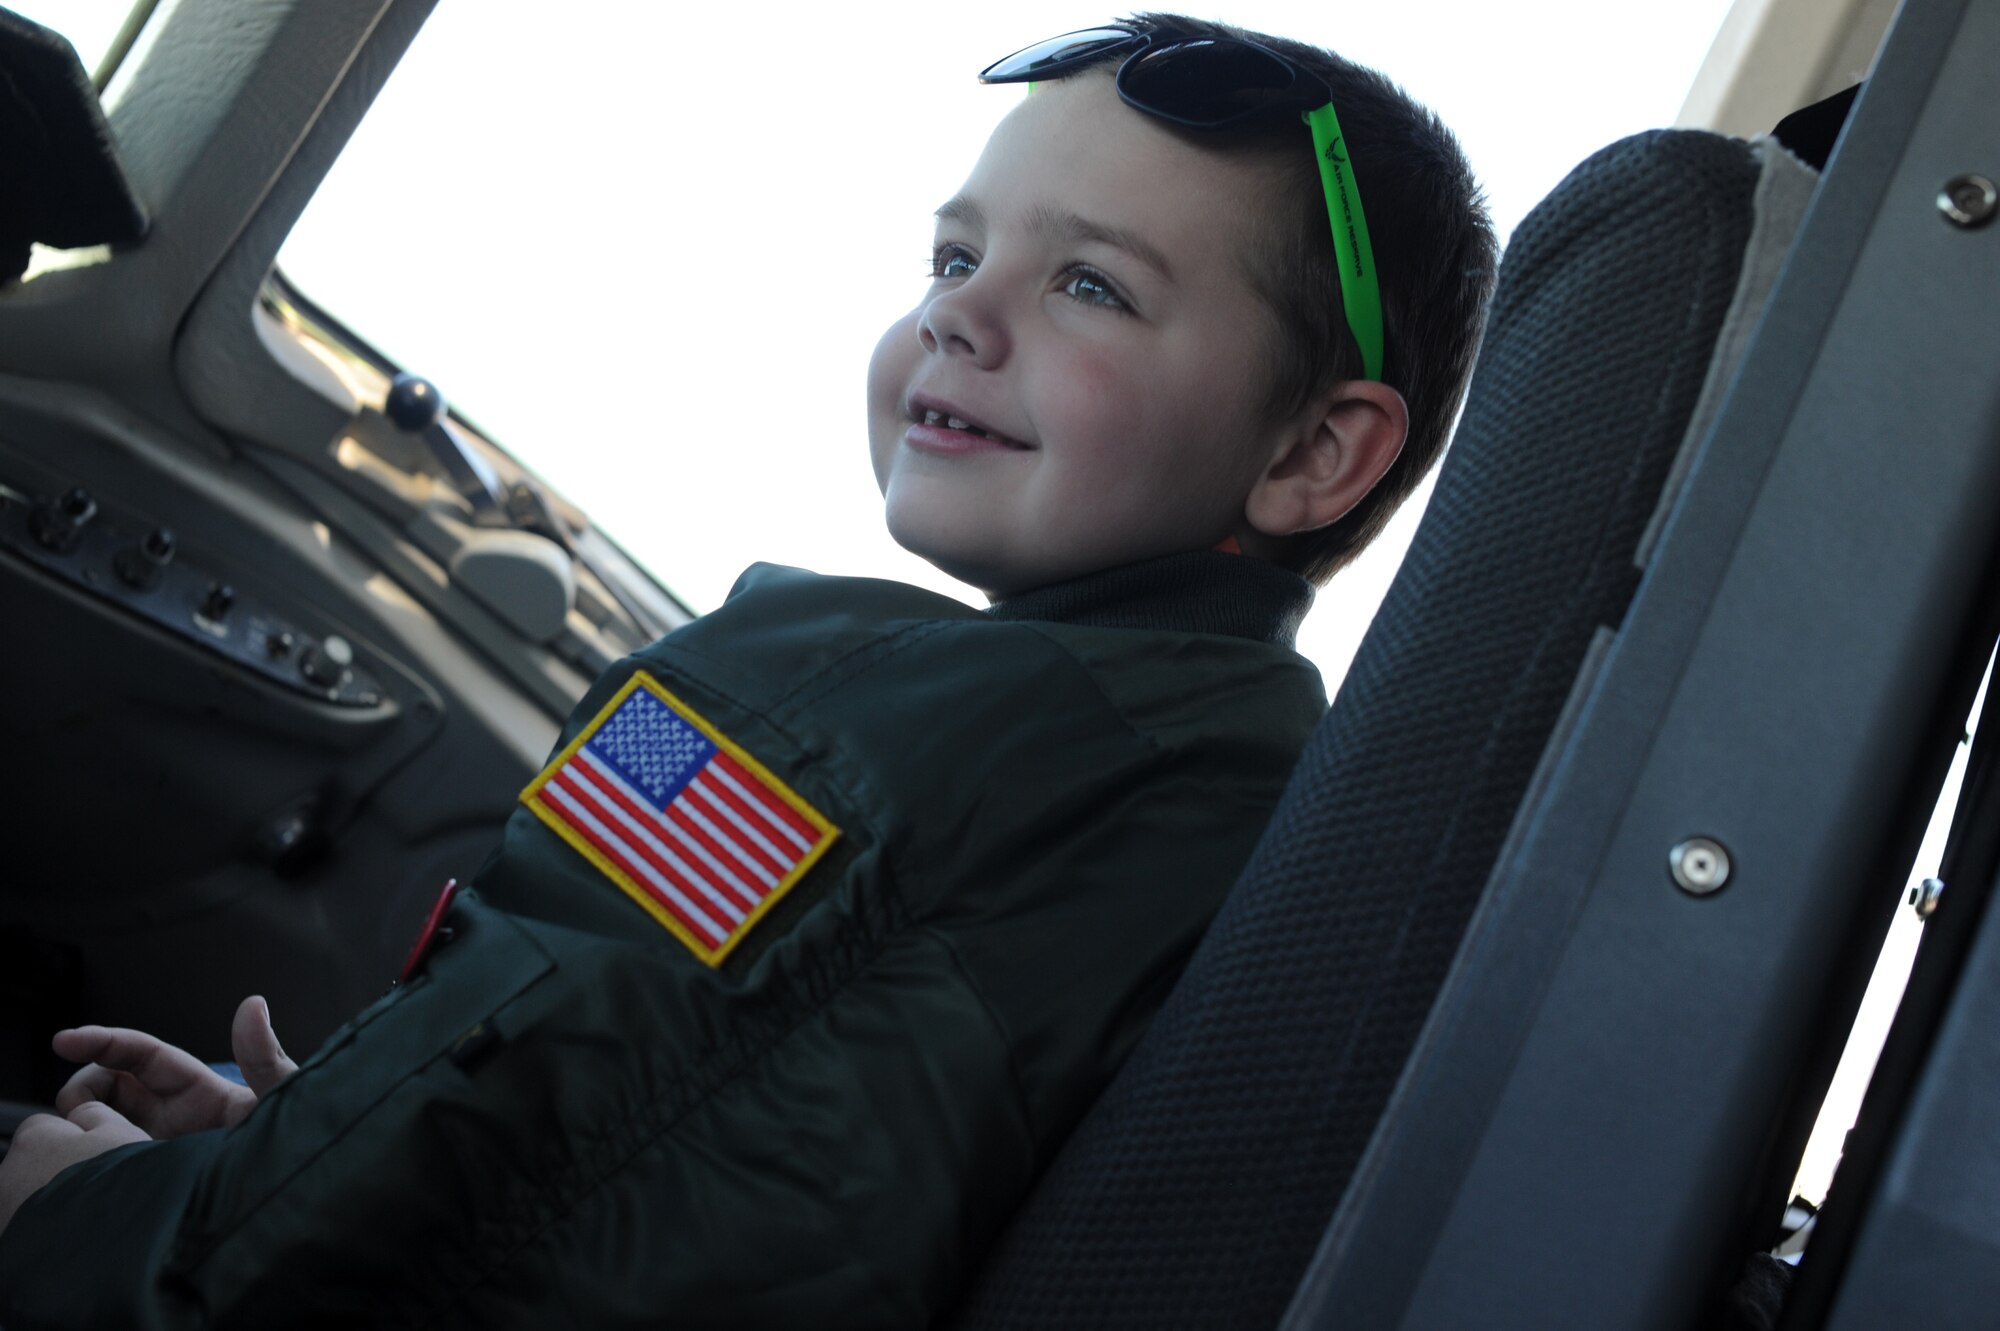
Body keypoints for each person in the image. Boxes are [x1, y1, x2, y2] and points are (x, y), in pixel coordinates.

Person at [0, 14, 1495, 1326]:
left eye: (1091, 287)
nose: (955, 315)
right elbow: (636, 1172)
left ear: (1313, 454)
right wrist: (284, 1148)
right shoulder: (1204, 795)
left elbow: (532, 1194)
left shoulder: (872, 732)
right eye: (956, 255)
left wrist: (104, 1224)